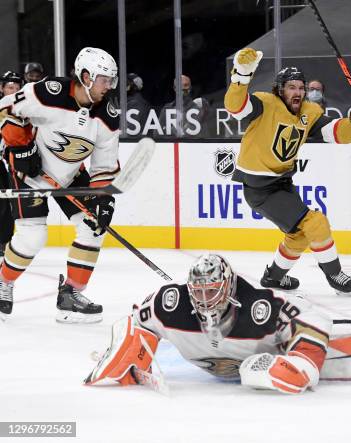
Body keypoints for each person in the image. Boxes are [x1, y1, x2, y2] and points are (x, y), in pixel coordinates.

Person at [224, 48, 351, 296]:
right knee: (315, 222)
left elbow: (336, 133)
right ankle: (334, 275)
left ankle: (273, 278)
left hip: (282, 183)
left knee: (299, 235)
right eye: (291, 87)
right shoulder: (265, 103)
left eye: (300, 87)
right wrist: (242, 75)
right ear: (279, 89)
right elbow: (235, 107)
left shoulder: (310, 111)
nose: (297, 92)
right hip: (259, 188)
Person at [85, 254, 332, 394]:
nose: (205, 299)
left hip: (276, 351)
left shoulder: (261, 305)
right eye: (198, 291)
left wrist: (302, 366)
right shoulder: (170, 302)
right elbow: (137, 322)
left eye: (212, 290)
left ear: (228, 285)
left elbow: (314, 318)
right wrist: (125, 353)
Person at [0, 47, 120, 323]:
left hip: (70, 173)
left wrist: (104, 199)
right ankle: (4, 281)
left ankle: (70, 297)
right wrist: (20, 149)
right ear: (86, 77)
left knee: (93, 226)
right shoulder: (49, 92)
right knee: (33, 237)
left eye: (111, 80)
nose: (109, 86)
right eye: (104, 79)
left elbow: (103, 166)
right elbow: (8, 108)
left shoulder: (107, 115)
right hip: (31, 173)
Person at [0, 71, 25, 258]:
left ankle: (5, 242)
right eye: (10, 87)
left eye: (17, 88)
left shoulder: (25, 110)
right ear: (2, 88)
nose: (13, 91)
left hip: (13, 164)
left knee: (10, 205)